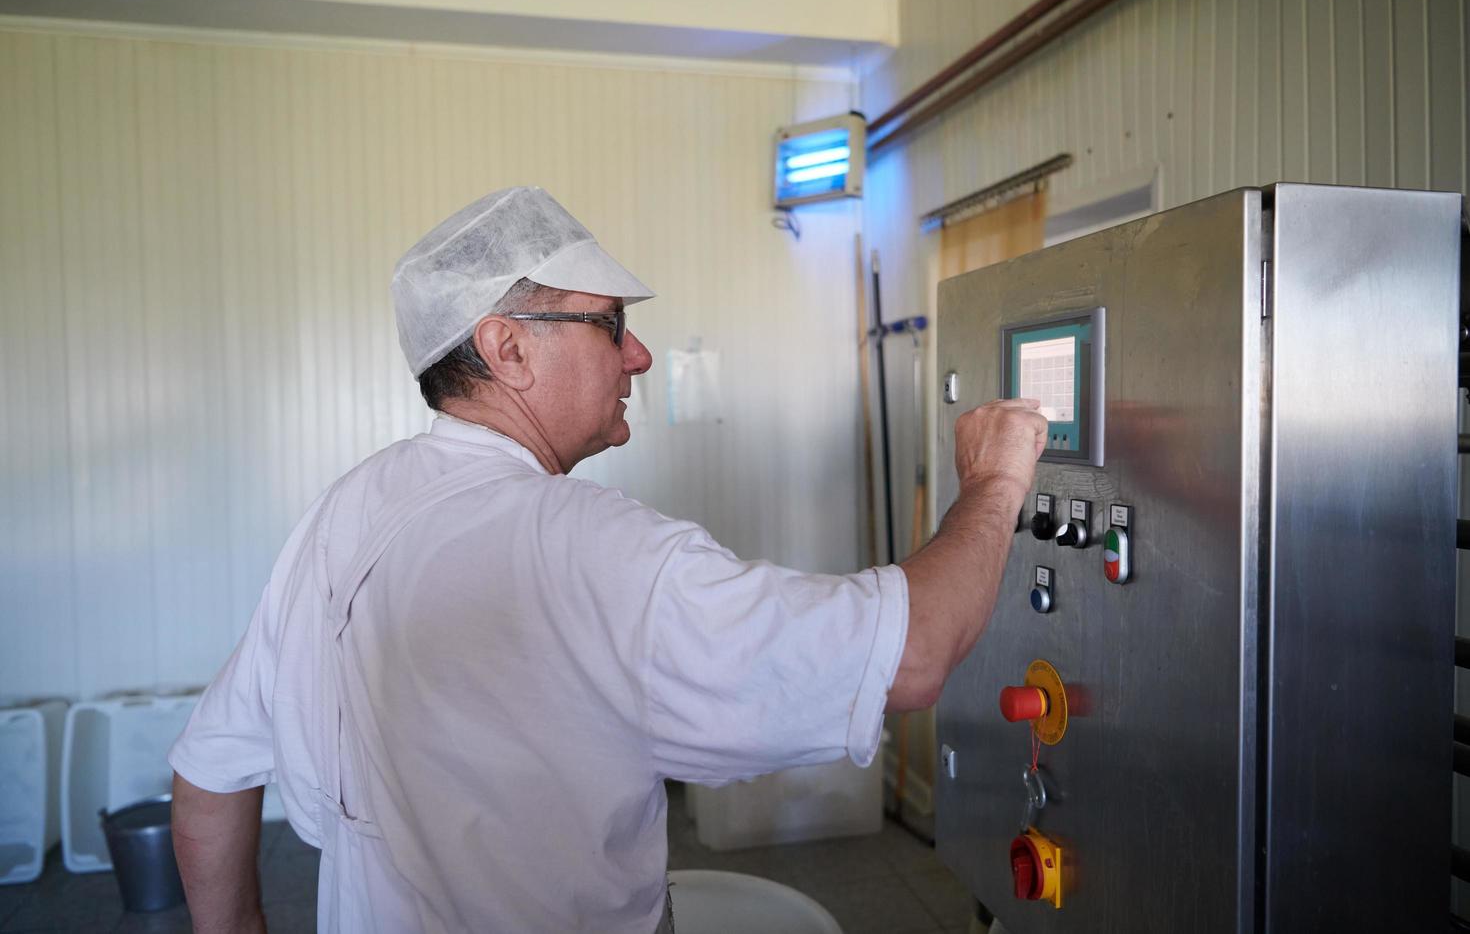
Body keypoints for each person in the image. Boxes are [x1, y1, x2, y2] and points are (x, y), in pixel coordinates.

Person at [168, 186, 1047, 933]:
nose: (639, 355)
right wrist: (997, 482)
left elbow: (208, 773)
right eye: (609, 324)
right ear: (506, 349)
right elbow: (914, 651)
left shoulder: (343, 513)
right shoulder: (589, 548)